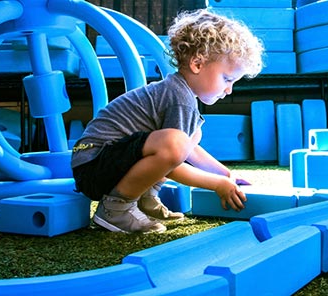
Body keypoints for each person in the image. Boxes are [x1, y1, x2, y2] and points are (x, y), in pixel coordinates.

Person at [71, 9, 264, 233]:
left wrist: (226, 174)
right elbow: (174, 161)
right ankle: (116, 209)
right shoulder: (179, 98)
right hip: (93, 166)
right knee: (176, 142)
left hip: (105, 162)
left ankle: (145, 197)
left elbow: (191, 152)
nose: (229, 90)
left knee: (192, 136)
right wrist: (217, 184)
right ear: (198, 64)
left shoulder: (180, 93)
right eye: (227, 79)